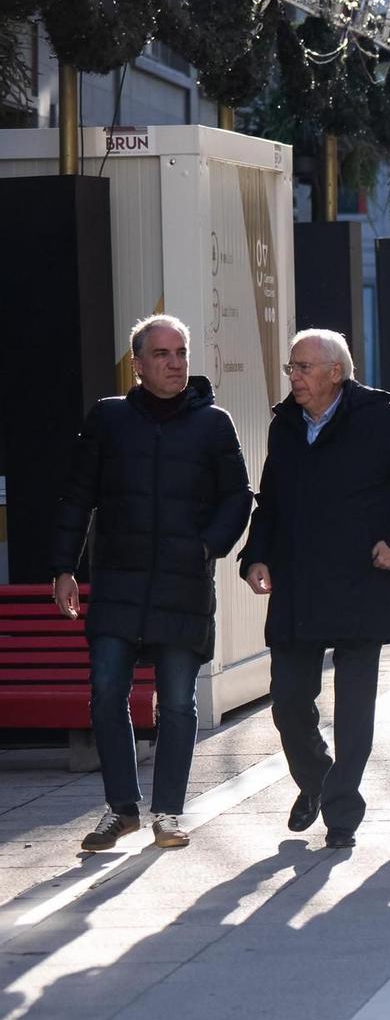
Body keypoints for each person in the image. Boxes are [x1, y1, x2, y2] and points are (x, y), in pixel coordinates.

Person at [52, 315, 251, 852]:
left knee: (179, 704)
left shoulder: (214, 423)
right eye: (162, 354)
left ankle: (167, 813)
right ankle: (121, 811)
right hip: (118, 581)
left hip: (182, 584)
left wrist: (206, 546)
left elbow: (238, 496)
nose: (175, 362)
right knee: (107, 691)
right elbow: (78, 496)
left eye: (181, 352)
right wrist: (64, 567)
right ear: (136, 365)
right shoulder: (109, 420)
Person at [242, 329, 390, 848]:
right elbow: (269, 499)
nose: (295, 377)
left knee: (354, 709)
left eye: (304, 368)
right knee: (288, 702)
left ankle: (341, 813)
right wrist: (255, 555)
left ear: (337, 372)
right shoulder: (285, 424)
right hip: (298, 585)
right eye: (291, 368)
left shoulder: (378, 418)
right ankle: (318, 780)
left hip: (361, 581)